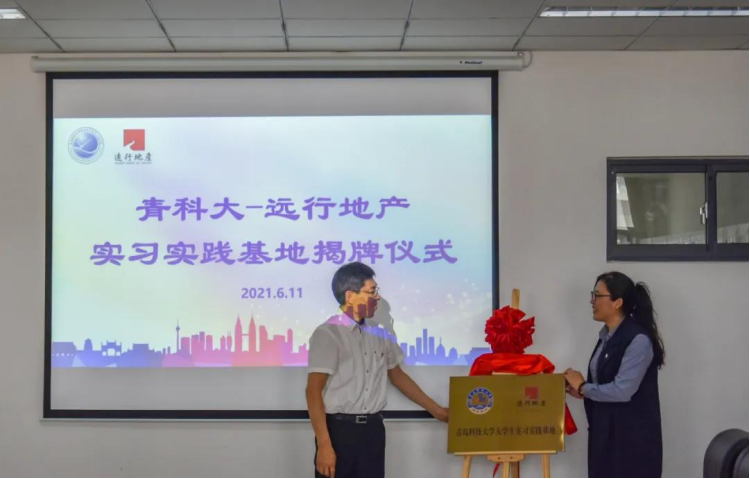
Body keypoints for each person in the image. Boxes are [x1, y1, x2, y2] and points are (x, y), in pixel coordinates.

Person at [306, 262, 449, 478]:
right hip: (338, 431)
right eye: (371, 291)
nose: (377, 297)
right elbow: (313, 391)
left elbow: (397, 377)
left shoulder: (379, 333)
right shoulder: (328, 333)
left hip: (373, 431)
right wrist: (324, 445)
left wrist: (437, 410)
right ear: (350, 296)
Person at [564, 272, 665, 478]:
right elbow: (606, 384)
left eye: (597, 295)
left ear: (618, 302)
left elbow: (622, 391)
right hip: (605, 437)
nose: (592, 301)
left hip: (631, 444)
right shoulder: (606, 337)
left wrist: (583, 387)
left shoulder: (638, 340)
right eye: (592, 294)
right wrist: (583, 392)